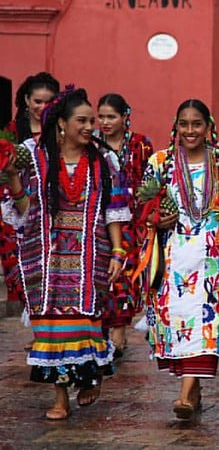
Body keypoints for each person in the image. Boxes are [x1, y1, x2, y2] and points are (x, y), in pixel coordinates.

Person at [2, 87, 129, 420]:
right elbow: (25, 209)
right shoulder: (35, 156)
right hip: (45, 256)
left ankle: (90, 377)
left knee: (86, 324)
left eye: (92, 121)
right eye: (82, 121)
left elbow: (114, 209)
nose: (90, 127)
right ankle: (59, 398)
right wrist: (14, 177)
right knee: (50, 328)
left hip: (90, 255)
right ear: (61, 124)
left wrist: (117, 251)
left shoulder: (104, 161)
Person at [141, 99, 219, 420]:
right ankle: (191, 386)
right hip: (171, 260)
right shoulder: (160, 162)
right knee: (178, 320)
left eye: (197, 124)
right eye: (184, 124)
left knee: (208, 320)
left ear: (209, 127)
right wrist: (155, 218)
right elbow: (142, 206)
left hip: (212, 260)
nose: (190, 130)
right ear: (176, 126)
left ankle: (186, 391)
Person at [96, 93, 154, 357]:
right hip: (100, 221)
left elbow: (150, 182)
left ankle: (119, 334)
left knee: (126, 278)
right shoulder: (93, 146)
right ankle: (101, 332)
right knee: (103, 273)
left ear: (124, 117)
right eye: (102, 117)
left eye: (112, 116)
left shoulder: (140, 145)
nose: (106, 122)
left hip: (133, 222)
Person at [1, 73, 60, 310]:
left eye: (49, 102)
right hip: (14, 207)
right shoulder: (12, 131)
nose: (42, 107)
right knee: (22, 268)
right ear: (26, 100)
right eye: (38, 101)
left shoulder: (60, 131)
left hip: (48, 207)